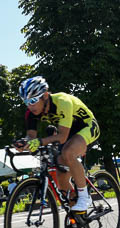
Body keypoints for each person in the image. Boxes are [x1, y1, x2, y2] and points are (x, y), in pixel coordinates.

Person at [15, 76, 100, 213]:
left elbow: (62, 137)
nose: (30, 106)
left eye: (33, 100)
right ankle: (76, 217)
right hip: (68, 132)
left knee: (68, 153)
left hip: (86, 126)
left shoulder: (62, 102)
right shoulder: (31, 113)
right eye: (26, 102)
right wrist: (24, 143)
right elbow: (31, 136)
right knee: (60, 174)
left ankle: (84, 197)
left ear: (45, 95)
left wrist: (40, 141)